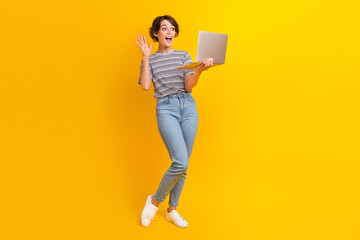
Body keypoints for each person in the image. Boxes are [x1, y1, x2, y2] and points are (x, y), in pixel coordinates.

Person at [135, 15, 213, 228]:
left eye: (172, 28)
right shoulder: (151, 58)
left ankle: (172, 210)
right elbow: (144, 86)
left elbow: (188, 86)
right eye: (164, 28)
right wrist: (145, 58)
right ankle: (154, 200)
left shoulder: (183, 56)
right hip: (166, 108)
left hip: (187, 106)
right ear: (156, 34)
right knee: (180, 160)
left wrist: (198, 70)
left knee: (184, 163)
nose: (169, 32)